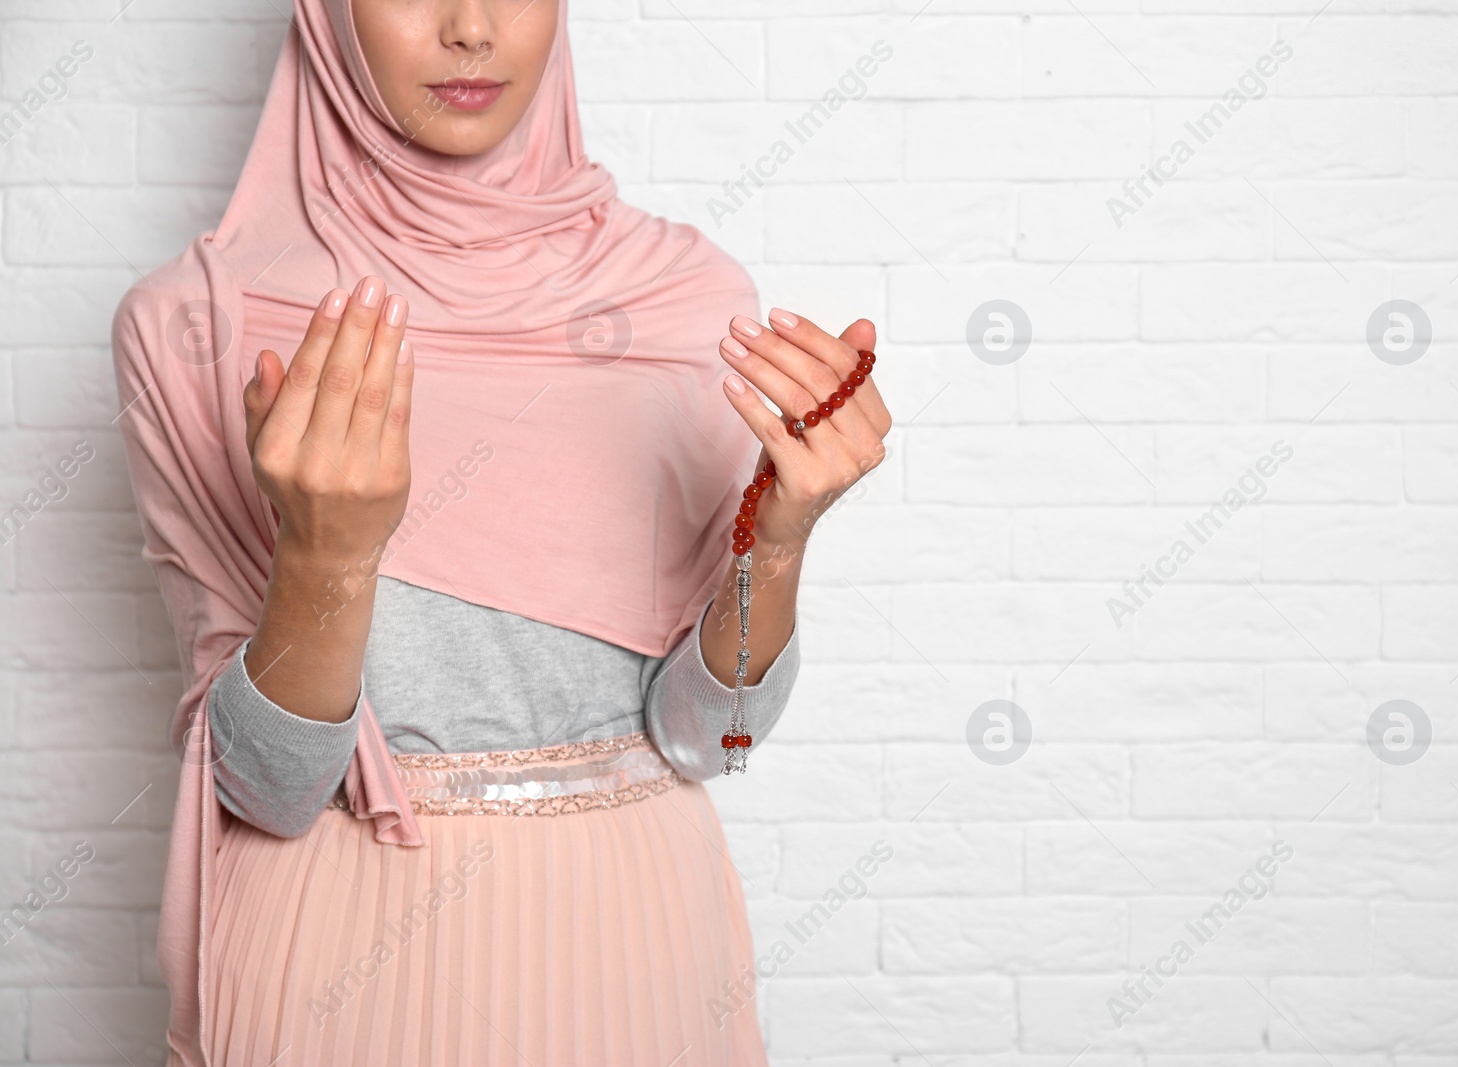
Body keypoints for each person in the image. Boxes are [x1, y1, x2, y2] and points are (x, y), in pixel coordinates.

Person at [108, 1, 891, 1064]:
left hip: (634, 942)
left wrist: (782, 536)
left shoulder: (681, 303)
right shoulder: (196, 324)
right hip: (337, 952)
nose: (472, 28)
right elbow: (269, 789)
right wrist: (330, 553)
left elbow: (717, 739)